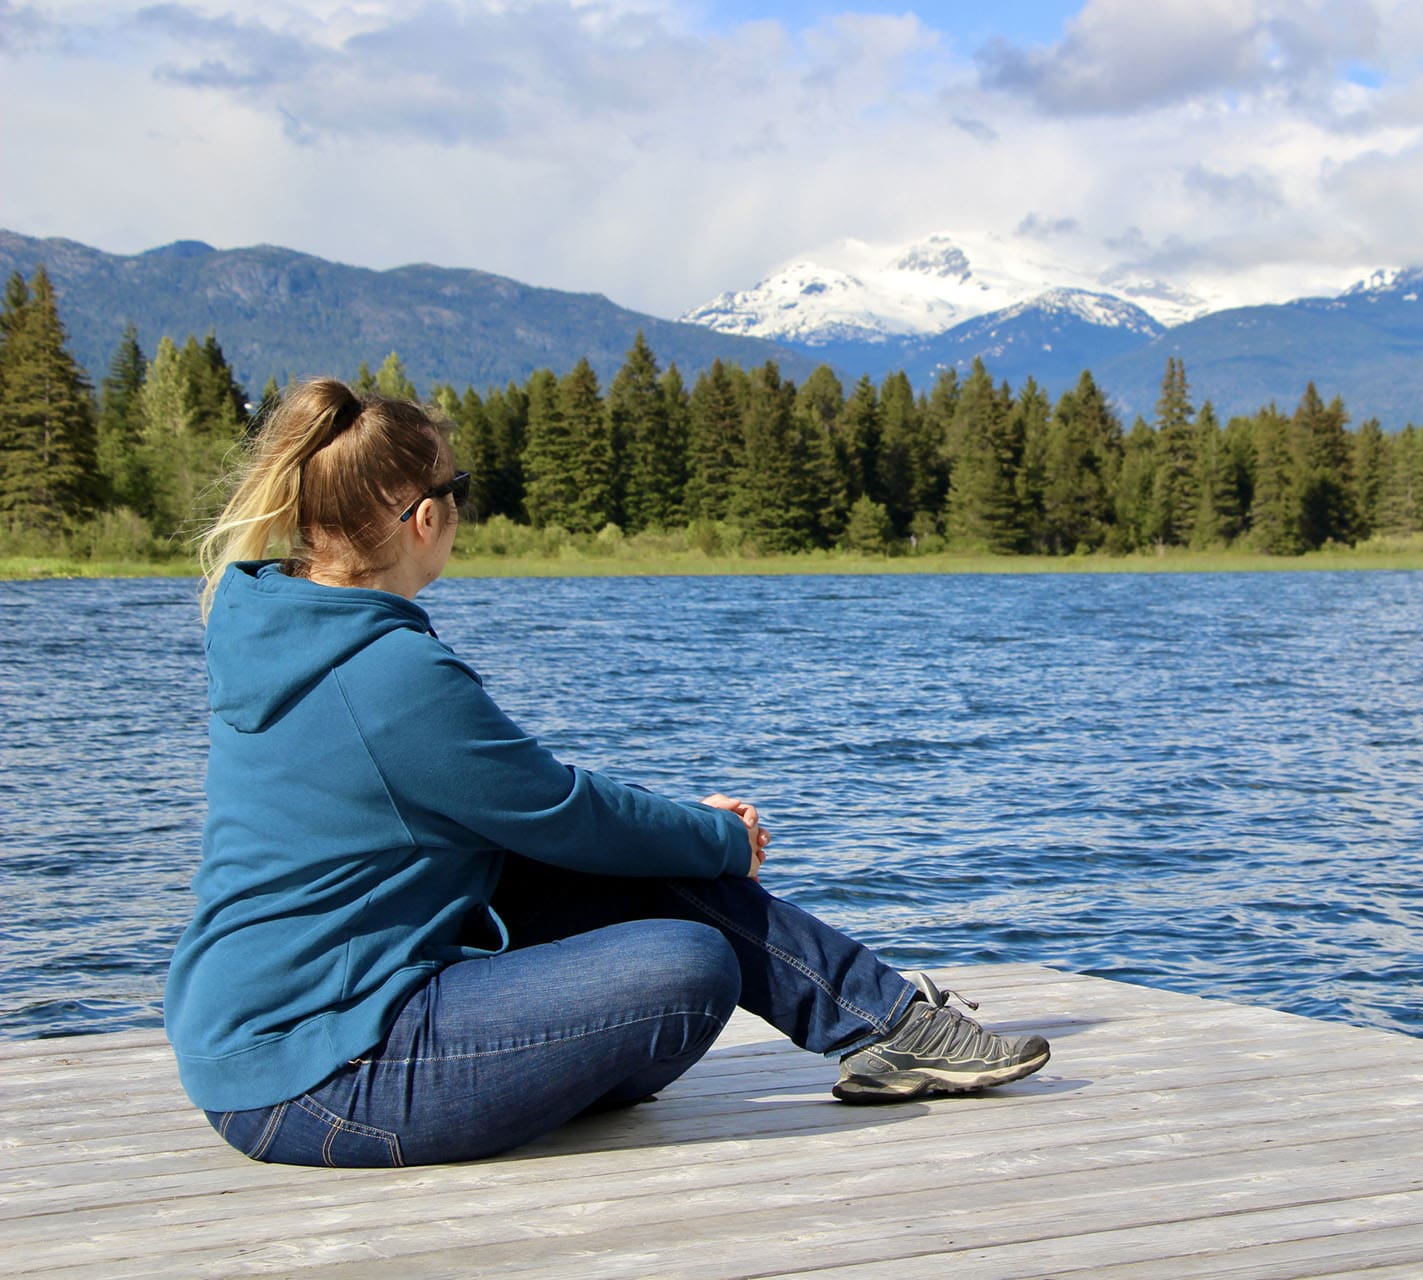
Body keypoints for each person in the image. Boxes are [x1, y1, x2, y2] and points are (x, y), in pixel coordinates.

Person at [164, 378, 1048, 1168]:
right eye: (457, 490)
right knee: (690, 965)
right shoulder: (386, 677)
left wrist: (689, 841)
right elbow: (562, 811)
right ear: (423, 516)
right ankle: (886, 1023)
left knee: (631, 876)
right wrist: (721, 839)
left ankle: (887, 1024)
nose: (460, 510)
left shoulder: (286, 631)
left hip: (286, 1034)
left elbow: (545, 815)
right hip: (319, 1076)